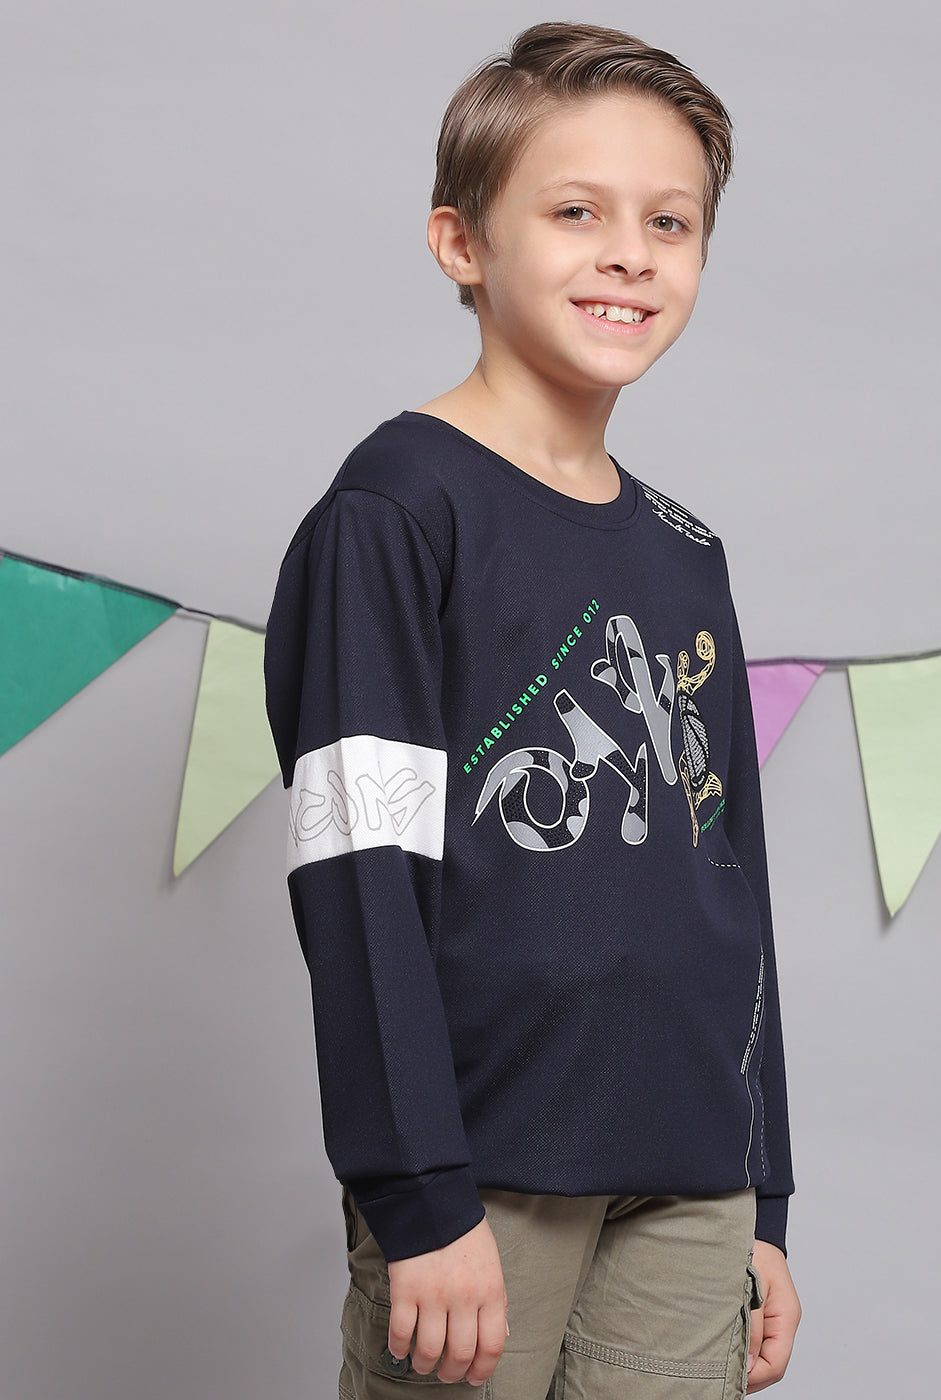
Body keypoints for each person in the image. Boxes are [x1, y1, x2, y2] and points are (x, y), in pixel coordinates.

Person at [264, 20, 800, 1400]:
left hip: (691, 1174)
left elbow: (730, 883)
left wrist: (765, 1193)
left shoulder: (687, 554)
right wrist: (416, 1188)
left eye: (669, 222)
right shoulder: (396, 512)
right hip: (481, 1171)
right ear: (462, 243)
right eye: (576, 212)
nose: (631, 254)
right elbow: (357, 869)